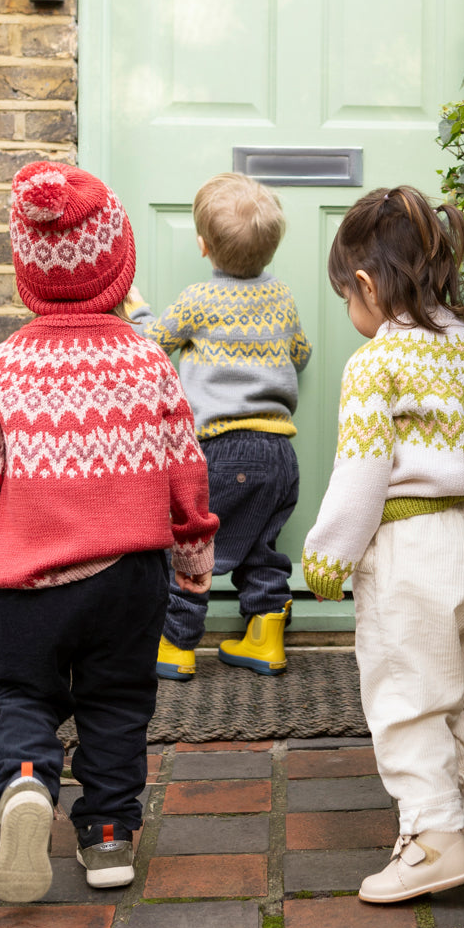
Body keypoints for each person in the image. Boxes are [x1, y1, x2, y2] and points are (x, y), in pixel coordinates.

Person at [0, 161, 217, 904]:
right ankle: (106, 839)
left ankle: (29, 782)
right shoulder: (146, 358)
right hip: (130, 574)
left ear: (24, 271)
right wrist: (194, 558)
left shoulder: (1, 365)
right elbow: (184, 473)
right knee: (116, 703)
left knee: (24, 696)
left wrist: (0, 538)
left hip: (33, 579)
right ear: (119, 261)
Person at [303, 186, 464, 904]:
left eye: (347, 296)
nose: (351, 312)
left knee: (409, 697)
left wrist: (329, 555)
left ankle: (433, 838)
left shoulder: (377, 363)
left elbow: (361, 473)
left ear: (366, 285)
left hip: (416, 549)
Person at [128, 172, 311, 679]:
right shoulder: (283, 299)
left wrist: (138, 309)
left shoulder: (198, 301)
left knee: (190, 548)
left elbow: (152, 344)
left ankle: (177, 644)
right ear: (271, 249)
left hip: (222, 450)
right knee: (260, 544)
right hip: (280, 454)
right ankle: (265, 634)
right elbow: (300, 354)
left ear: (203, 246)